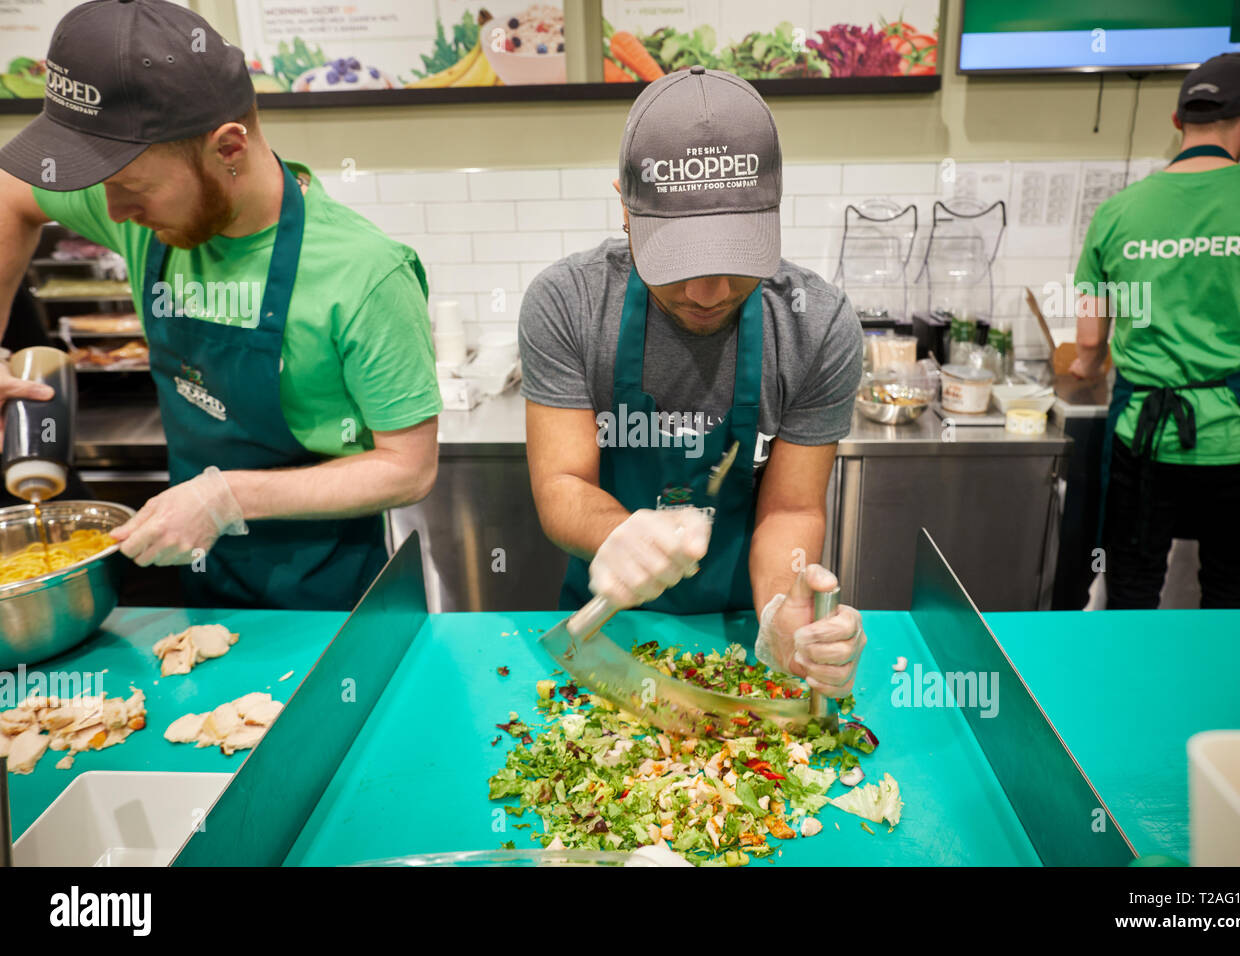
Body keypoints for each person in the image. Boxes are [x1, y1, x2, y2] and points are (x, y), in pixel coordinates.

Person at [0, 0, 441, 610]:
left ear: (228, 148)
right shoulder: (134, 203)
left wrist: (225, 498)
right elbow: (10, 194)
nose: (114, 212)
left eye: (131, 189)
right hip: (200, 583)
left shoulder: (364, 273)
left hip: (324, 595)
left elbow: (408, 469)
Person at [520, 67, 865, 696]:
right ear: (626, 208)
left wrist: (781, 614)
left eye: (736, 258)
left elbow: (790, 508)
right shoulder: (566, 302)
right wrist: (618, 534)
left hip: (739, 637)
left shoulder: (818, 325)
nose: (707, 294)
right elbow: (562, 483)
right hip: (603, 633)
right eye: (676, 261)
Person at [1070, 52, 1240, 608]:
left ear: (1178, 122)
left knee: (1132, 585)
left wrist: (1084, 372)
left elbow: (1089, 341)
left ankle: (1133, 692)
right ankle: (1230, 695)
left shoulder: (1120, 210)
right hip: (1237, 438)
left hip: (1141, 439)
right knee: (1231, 588)